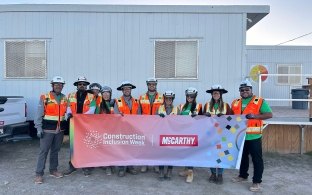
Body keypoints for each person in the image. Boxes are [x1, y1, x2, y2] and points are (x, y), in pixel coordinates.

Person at [231, 79, 272, 192]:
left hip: (254, 136)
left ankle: (257, 182)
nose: (244, 91)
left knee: (256, 160)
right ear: (239, 91)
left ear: (251, 90)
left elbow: (269, 114)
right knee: (242, 157)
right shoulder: (235, 102)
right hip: (240, 136)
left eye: (247, 89)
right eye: (242, 90)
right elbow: (230, 117)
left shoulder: (259, 101)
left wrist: (255, 116)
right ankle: (243, 175)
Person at [34, 76, 68, 184]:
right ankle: (39, 174)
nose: (58, 86)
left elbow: (67, 112)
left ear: (63, 86)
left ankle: (53, 170)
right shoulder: (45, 97)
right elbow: (39, 114)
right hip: (47, 130)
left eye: (60, 85)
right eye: (56, 84)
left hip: (60, 130)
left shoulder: (64, 98)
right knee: (43, 152)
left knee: (55, 151)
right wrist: (38, 128)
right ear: (52, 85)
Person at [63, 76, 96, 177]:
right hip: (73, 124)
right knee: (73, 146)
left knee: (85, 145)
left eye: (84, 84)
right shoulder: (70, 95)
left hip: (86, 125)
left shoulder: (92, 96)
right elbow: (68, 108)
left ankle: (86, 166)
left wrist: (80, 117)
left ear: (86, 86)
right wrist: (69, 115)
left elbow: (92, 109)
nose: (82, 85)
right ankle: (72, 165)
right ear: (77, 86)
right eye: (80, 84)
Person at [203, 84, 233, 185]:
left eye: (218, 93)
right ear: (212, 94)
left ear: (221, 94)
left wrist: (224, 117)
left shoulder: (226, 106)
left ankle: (220, 174)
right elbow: (202, 120)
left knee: (221, 154)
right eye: (214, 92)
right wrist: (204, 115)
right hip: (210, 133)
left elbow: (231, 120)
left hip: (222, 134)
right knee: (211, 153)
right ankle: (212, 173)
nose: (216, 94)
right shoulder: (207, 105)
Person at [114, 81, 141, 177]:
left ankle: (130, 166)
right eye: (125, 89)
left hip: (133, 129)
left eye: (128, 88)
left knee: (131, 148)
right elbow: (116, 115)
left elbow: (139, 115)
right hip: (122, 129)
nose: (127, 90)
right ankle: (122, 168)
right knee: (122, 148)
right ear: (122, 90)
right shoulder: (117, 101)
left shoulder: (137, 101)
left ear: (131, 90)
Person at [139, 78, 163, 173]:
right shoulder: (142, 97)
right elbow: (139, 112)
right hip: (146, 125)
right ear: (147, 85)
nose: (152, 86)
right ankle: (145, 164)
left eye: (153, 84)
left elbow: (165, 109)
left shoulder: (162, 97)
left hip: (158, 125)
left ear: (156, 85)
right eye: (150, 84)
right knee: (146, 145)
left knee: (156, 145)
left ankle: (155, 164)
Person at [179, 87, 202, 183]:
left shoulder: (199, 106)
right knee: (185, 152)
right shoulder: (182, 106)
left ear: (195, 96)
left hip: (193, 133)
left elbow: (203, 119)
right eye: (188, 95)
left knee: (191, 153)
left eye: (192, 96)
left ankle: (190, 173)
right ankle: (186, 170)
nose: (189, 97)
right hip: (184, 132)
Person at [156, 90, 180, 181]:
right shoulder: (159, 108)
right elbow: (153, 121)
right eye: (167, 98)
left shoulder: (177, 109)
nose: (168, 100)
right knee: (161, 153)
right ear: (164, 99)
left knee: (171, 153)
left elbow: (181, 122)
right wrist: (158, 117)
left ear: (172, 99)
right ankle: (161, 170)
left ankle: (169, 170)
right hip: (161, 134)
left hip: (173, 134)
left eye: (170, 98)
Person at [99, 85, 115, 175]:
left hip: (113, 129)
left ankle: (111, 165)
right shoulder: (99, 104)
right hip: (102, 129)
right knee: (104, 148)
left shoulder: (114, 102)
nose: (105, 95)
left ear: (110, 94)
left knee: (111, 149)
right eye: (104, 93)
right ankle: (106, 165)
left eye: (107, 93)